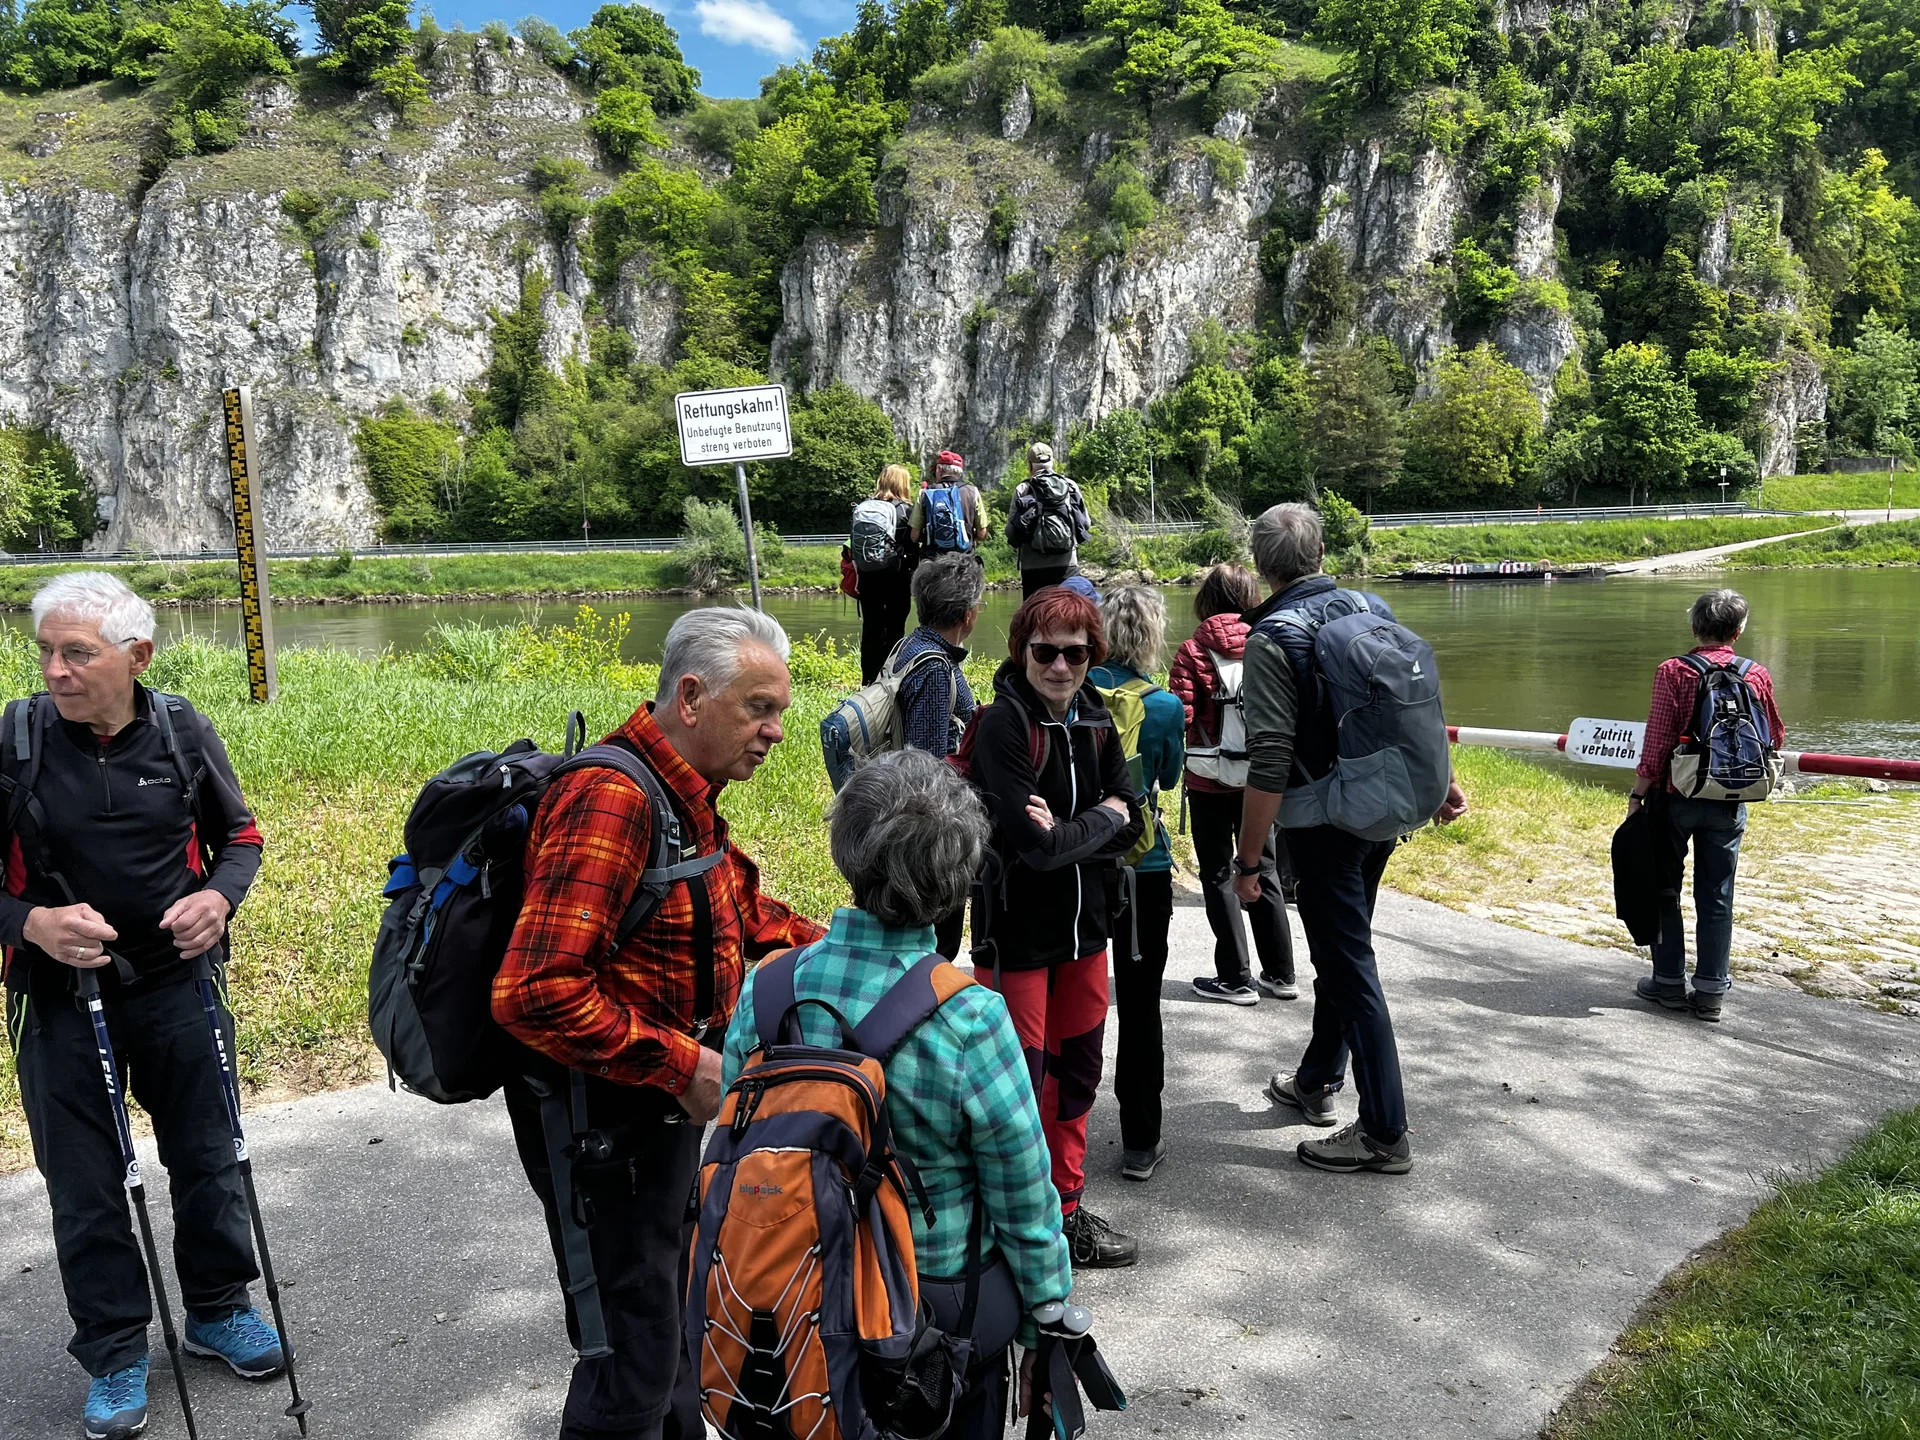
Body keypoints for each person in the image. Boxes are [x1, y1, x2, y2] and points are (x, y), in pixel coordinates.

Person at [492, 607, 828, 1440]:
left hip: (658, 1115)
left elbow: (745, 909)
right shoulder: (611, 800)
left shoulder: (687, 793)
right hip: (603, 1129)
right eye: (759, 708)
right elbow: (534, 989)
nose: (776, 731)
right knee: (628, 1357)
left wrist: (869, 962)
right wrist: (684, 1066)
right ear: (690, 695)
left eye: (778, 710)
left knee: (676, 1318)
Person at [722, 750, 1074, 1437]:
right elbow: (1025, 1203)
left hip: (784, 1285)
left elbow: (733, 1128)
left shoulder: (768, 988)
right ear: (957, 878)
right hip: (927, 1315)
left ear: (847, 852)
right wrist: (1047, 1325)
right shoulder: (970, 1017)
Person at [1, 572, 278, 1440]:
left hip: (178, 988)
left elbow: (241, 838)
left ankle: (218, 1309)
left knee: (208, 1156)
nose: (54, 670)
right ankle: (116, 1352)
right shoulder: (13, 739)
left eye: (76, 653)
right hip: (57, 1000)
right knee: (86, 1187)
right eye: (44, 650)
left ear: (137, 655)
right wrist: (32, 922)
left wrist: (220, 899)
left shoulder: (182, 730)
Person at [1233, 505, 1468, 1177]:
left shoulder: (1272, 638)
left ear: (1261, 568)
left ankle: (1386, 1132)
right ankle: (1315, 1082)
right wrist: (1440, 780)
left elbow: (1270, 762)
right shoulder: (1369, 605)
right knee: (1346, 953)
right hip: (1383, 813)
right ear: (1321, 552)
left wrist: (1248, 862)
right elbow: (1412, 709)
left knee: (1349, 968)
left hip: (1325, 825)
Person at [968, 586, 1143, 1266]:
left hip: (1085, 933)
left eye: (1075, 653)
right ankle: (1014, 1225)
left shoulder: (1096, 715)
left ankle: (1065, 1213)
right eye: (1046, 652)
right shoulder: (1003, 725)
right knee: (1016, 1085)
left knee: (1076, 1077)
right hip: (1016, 935)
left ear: (1092, 654)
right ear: (1023, 650)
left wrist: (1087, 825)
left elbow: (1133, 813)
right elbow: (1031, 847)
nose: (1061, 667)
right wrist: (1105, 820)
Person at [1626, 588, 1784, 1022]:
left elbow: (1657, 744)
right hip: (1731, 798)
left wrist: (1638, 795)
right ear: (1739, 630)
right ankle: (1711, 991)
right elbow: (1776, 736)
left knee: (1665, 889)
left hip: (1675, 797)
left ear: (1694, 627)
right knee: (1717, 894)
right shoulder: (1756, 674)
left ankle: (1668, 983)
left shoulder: (1673, 671)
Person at [1087, 586, 1185, 1184]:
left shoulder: (1077, 687)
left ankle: (1056, 1124)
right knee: (1141, 1001)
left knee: (1075, 995)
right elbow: (1169, 778)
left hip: (1083, 863)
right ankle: (1139, 1142)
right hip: (1143, 870)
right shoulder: (1165, 706)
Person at [1170, 564, 1298, 1005]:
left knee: (1219, 875)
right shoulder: (1269, 642)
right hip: (1261, 780)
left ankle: (1235, 979)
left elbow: (1182, 717)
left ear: (1205, 599)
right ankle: (1281, 974)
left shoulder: (1192, 650)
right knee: (1263, 867)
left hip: (1208, 781)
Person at [895, 553, 987, 959]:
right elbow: (927, 761)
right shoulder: (934, 669)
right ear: (968, 614)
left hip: (910, 816)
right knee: (937, 944)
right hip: (930, 830)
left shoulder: (912, 645)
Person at [855, 463, 919, 685]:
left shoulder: (864, 509)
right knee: (894, 627)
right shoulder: (906, 511)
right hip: (896, 578)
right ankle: (891, 679)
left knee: (871, 627)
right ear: (903, 484)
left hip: (867, 577)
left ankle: (868, 680)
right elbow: (913, 547)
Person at [1004, 442, 1091, 597]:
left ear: (1030, 465)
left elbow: (1010, 531)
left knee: (1035, 617)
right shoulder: (1070, 486)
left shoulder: (1023, 489)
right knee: (1067, 615)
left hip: (1033, 569)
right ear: (1052, 462)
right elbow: (1086, 524)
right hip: (1067, 566)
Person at [911, 450, 991, 555]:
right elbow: (982, 534)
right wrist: (968, 538)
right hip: (964, 560)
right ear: (959, 472)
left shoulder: (925, 493)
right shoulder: (973, 492)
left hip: (933, 561)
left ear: (939, 469)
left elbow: (914, 536)